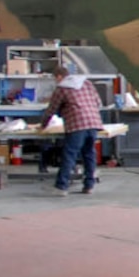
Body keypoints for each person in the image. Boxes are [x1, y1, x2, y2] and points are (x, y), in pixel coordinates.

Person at [43, 65, 104, 196]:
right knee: (89, 154)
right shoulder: (86, 83)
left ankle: (62, 186)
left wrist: (43, 125)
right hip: (93, 122)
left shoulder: (62, 88)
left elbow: (51, 110)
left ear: (59, 77)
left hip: (77, 124)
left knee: (70, 154)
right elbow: (98, 103)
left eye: (55, 79)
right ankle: (89, 186)